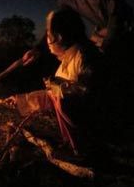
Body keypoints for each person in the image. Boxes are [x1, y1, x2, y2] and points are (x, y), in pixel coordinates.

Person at [9, 8, 104, 157]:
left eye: (48, 35)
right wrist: (22, 100)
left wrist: (58, 86)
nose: (46, 41)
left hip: (101, 123)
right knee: (60, 98)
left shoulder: (85, 57)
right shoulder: (69, 58)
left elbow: (87, 92)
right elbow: (52, 96)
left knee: (64, 100)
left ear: (58, 37)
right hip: (89, 120)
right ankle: (73, 145)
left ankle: (82, 150)